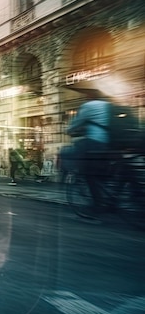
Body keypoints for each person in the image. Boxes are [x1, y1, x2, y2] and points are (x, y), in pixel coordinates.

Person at [62, 89, 111, 220]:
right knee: (102, 172)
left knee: (89, 173)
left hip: (95, 142)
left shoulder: (89, 106)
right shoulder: (108, 105)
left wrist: (69, 130)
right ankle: (108, 197)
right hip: (111, 143)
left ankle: (97, 204)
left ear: (89, 97)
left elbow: (77, 123)